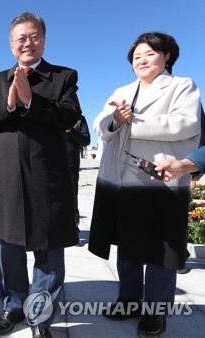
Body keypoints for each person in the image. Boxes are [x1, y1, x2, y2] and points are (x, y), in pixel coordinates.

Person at [0, 12, 82, 338]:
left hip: (47, 177)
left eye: (34, 36)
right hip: (7, 178)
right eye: (21, 38)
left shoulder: (63, 76)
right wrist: (8, 105)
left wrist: (31, 100)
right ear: (11, 44)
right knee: (9, 248)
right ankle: (12, 305)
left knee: (49, 253)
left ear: (44, 41)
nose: (28, 43)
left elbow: (69, 114)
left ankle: (39, 316)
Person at [88, 32, 201, 338]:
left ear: (167, 57)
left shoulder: (182, 86)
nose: (141, 60)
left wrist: (132, 122)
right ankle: (129, 300)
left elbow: (186, 123)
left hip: (160, 180)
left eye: (149, 53)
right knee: (129, 246)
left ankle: (156, 311)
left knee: (160, 249)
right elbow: (100, 122)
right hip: (121, 179)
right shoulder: (123, 89)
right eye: (137, 56)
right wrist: (114, 119)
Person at [64, 115, 91, 237]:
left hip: (71, 164)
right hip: (49, 164)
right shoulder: (52, 114)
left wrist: (71, 131)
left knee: (72, 198)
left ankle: (73, 230)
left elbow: (86, 140)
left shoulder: (80, 119)